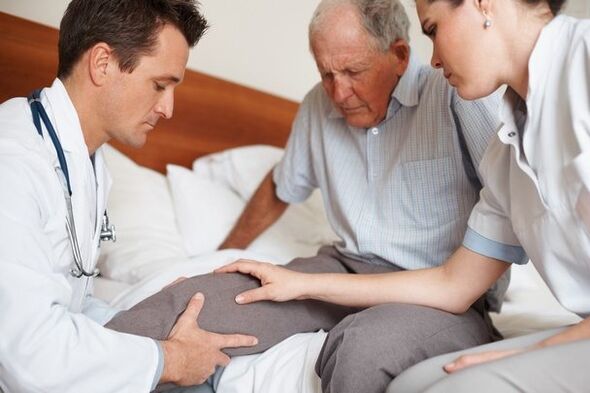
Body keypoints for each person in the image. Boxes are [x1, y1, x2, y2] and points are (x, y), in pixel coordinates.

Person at [106, 1, 515, 392]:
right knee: (192, 300)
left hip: (440, 292)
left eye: (353, 71)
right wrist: (218, 257)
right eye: (326, 74)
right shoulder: (318, 108)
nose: (338, 93)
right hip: (342, 268)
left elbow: (515, 203)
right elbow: (279, 186)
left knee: (363, 349)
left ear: (400, 55)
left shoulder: (456, 95)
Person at [219, 0, 590, 392]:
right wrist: (302, 284)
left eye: (432, 29)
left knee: (451, 384)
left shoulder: (582, 62)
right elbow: (452, 284)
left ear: (483, 4)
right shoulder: (506, 154)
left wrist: (532, 353)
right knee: (413, 385)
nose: (431, 59)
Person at [0, 1, 258, 392]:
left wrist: (151, 311)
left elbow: (71, 301)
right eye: (160, 85)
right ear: (102, 63)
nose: (168, 108)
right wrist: (170, 359)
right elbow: (30, 355)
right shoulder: (13, 163)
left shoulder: (89, 163)